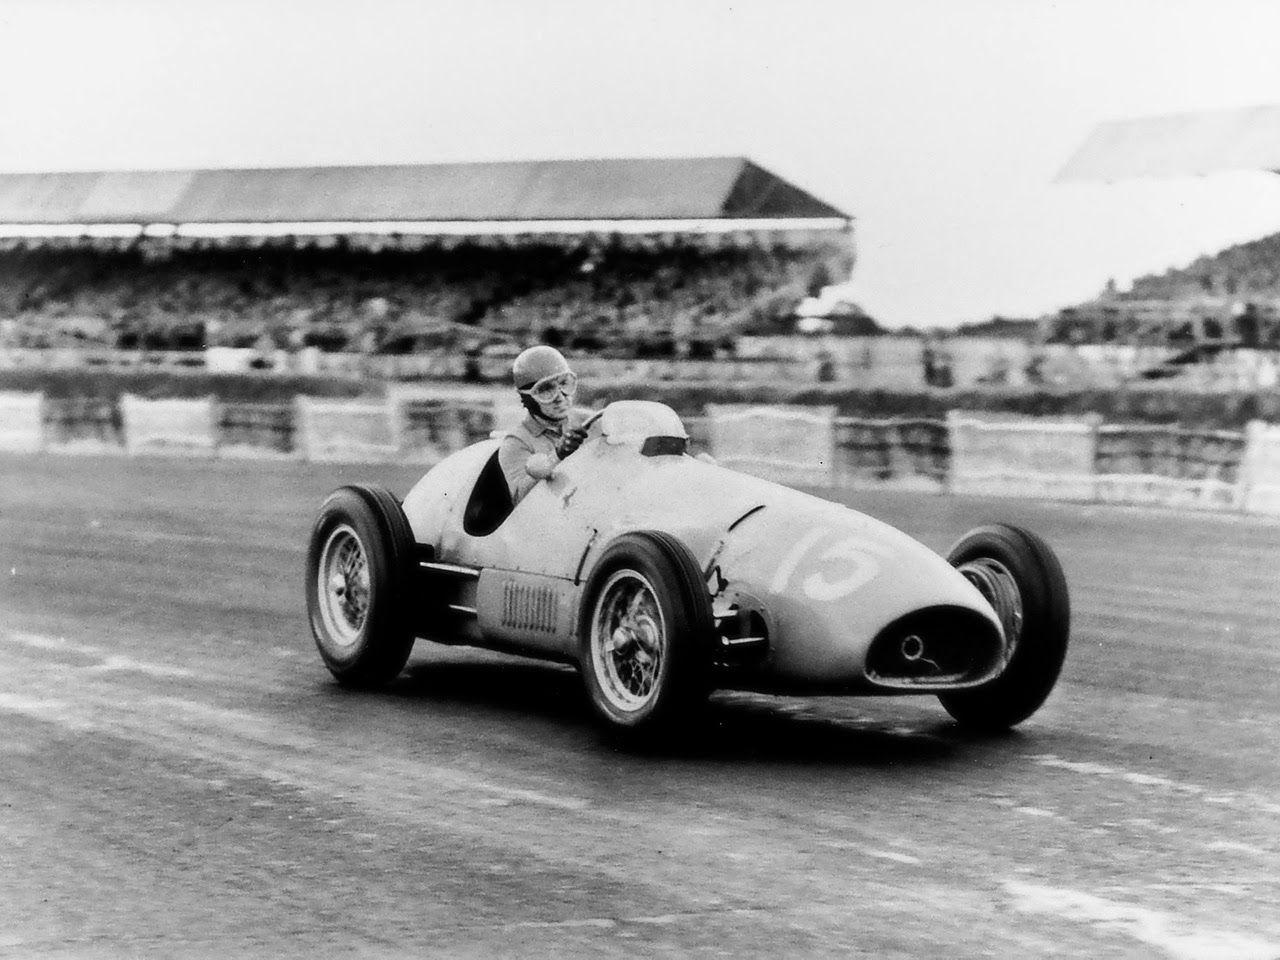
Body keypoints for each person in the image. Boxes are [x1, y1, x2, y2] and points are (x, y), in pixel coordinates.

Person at [498, 345, 589, 505]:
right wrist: (557, 456)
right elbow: (520, 500)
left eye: (564, 384)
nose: (560, 397)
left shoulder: (588, 421)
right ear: (528, 398)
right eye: (546, 390)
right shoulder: (516, 443)